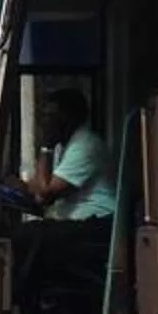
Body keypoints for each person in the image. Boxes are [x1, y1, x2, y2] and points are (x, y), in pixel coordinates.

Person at [27, 86, 117, 222]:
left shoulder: (85, 145)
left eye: (51, 116)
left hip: (97, 220)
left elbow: (45, 194)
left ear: (69, 117)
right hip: (72, 218)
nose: (44, 122)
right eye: (44, 116)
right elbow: (41, 188)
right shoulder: (62, 146)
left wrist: (46, 146)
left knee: (25, 236)